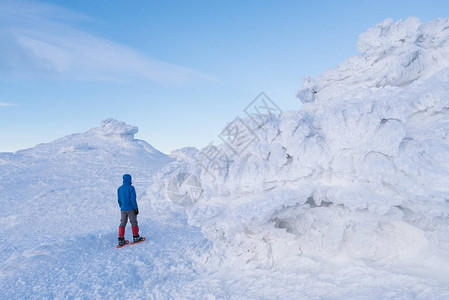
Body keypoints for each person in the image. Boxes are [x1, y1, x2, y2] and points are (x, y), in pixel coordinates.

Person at [117, 174, 144, 246]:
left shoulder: (119, 189)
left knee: (122, 223)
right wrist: (136, 208)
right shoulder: (131, 188)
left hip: (123, 209)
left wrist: (121, 206)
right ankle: (136, 237)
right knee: (133, 222)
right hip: (131, 208)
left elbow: (119, 200)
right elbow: (133, 199)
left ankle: (121, 239)